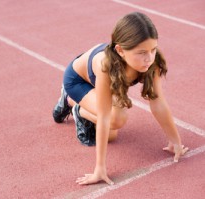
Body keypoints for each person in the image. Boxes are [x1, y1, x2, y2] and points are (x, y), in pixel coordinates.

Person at [52, 12, 189, 185]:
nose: (149, 58)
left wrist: (175, 141)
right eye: (141, 53)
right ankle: (71, 101)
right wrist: (99, 169)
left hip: (106, 80)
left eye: (153, 50)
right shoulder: (106, 66)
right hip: (78, 81)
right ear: (120, 51)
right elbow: (103, 116)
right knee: (116, 119)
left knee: (112, 135)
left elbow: (158, 103)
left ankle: (80, 108)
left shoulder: (151, 62)